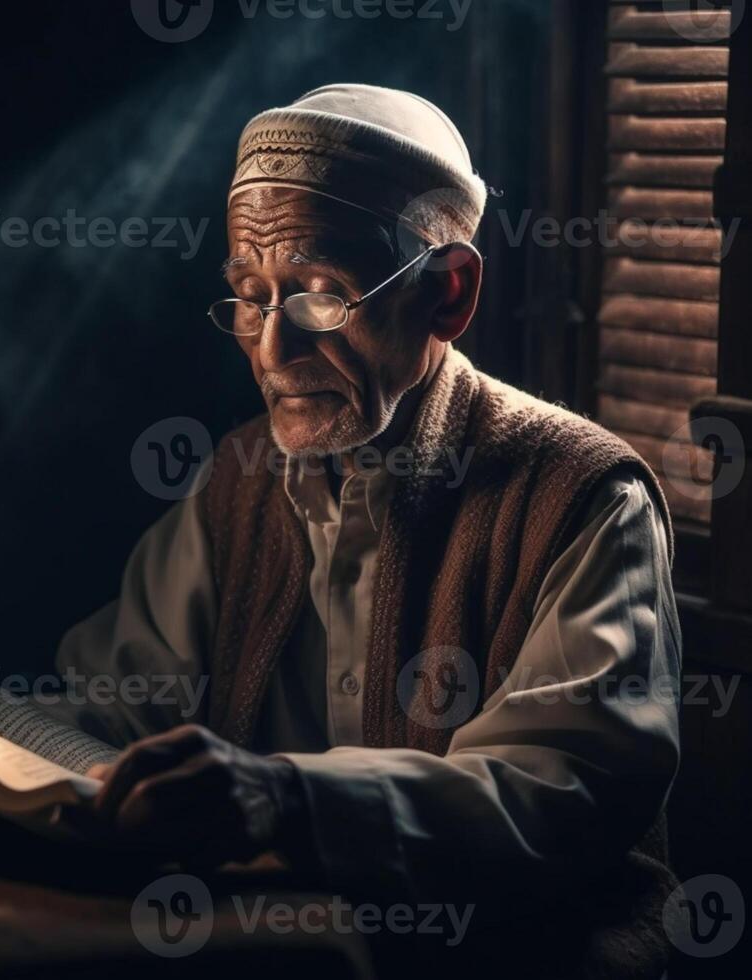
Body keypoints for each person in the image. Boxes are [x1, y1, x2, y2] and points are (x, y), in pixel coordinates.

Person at [58, 84, 683, 977]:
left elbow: (561, 791)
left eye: (320, 295)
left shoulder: (584, 496)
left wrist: (288, 800)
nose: (271, 351)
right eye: (248, 295)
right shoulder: (235, 486)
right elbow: (114, 708)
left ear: (448, 293)